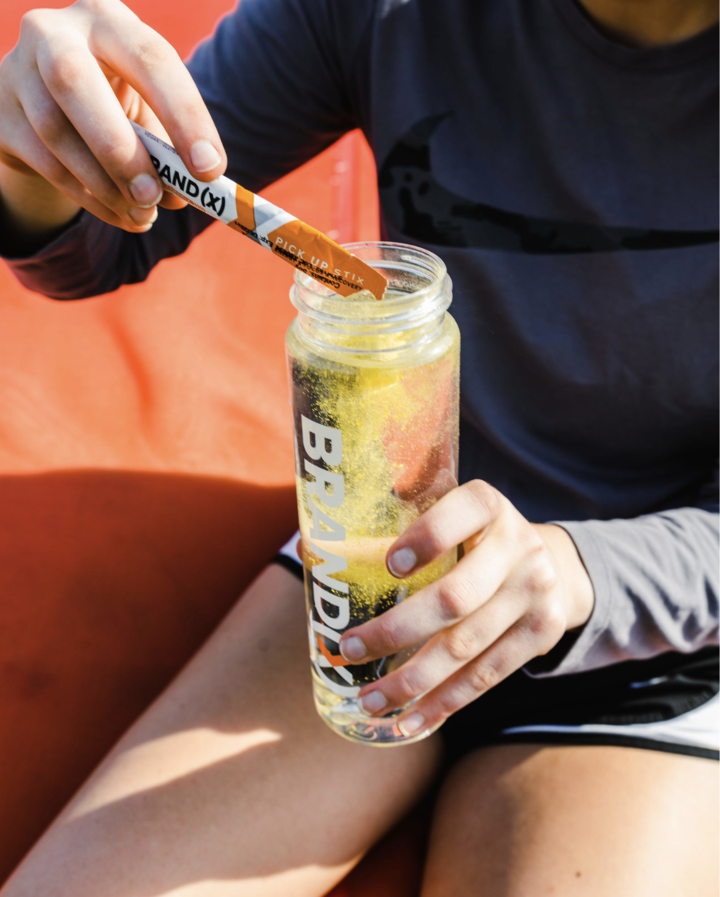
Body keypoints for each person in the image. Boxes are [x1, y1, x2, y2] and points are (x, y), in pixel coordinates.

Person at [0, 0, 718, 893]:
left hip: (650, 637)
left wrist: (581, 571)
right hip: (369, 568)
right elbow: (98, 245)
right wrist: (43, 142)